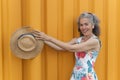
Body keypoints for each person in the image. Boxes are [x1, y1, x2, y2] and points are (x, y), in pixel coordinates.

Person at [33, 12, 101, 80]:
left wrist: (48, 37)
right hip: (76, 75)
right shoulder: (78, 40)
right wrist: (43, 39)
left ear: (93, 25)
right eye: (81, 25)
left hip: (87, 77)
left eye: (86, 24)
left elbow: (71, 48)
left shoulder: (94, 41)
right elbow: (60, 48)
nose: (83, 27)